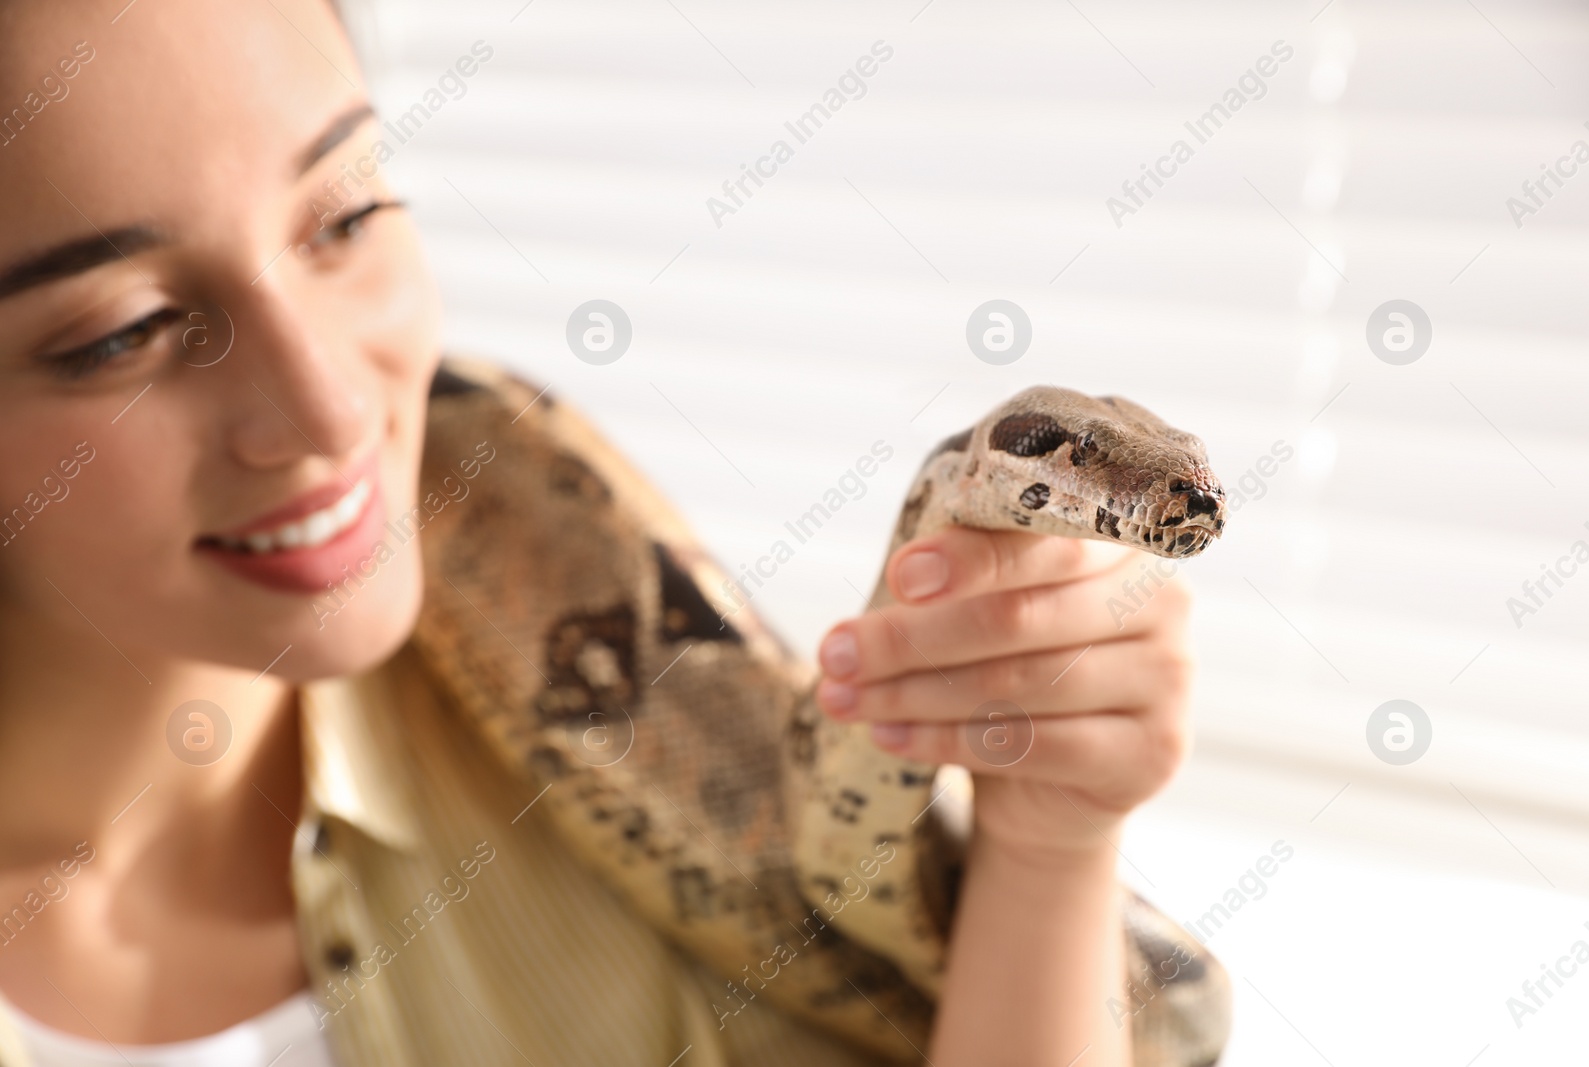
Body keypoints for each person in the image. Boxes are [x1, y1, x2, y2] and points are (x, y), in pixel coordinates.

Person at [0, 1, 1218, 1063]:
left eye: (348, 214)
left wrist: (1047, 856)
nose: (332, 407)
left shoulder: (619, 847)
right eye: (123, 329)